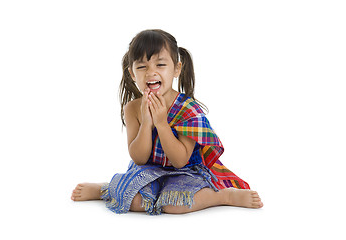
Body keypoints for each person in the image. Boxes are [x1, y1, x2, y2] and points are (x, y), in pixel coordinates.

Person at [71, 29, 263, 214]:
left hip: (187, 172)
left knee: (175, 205)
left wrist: (162, 124)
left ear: (176, 69)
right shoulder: (132, 109)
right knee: (135, 201)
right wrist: (147, 123)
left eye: (160, 65)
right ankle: (104, 189)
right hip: (149, 169)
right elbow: (139, 158)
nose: (150, 72)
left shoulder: (187, 109)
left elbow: (180, 161)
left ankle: (224, 196)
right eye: (141, 66)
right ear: (132, 73)